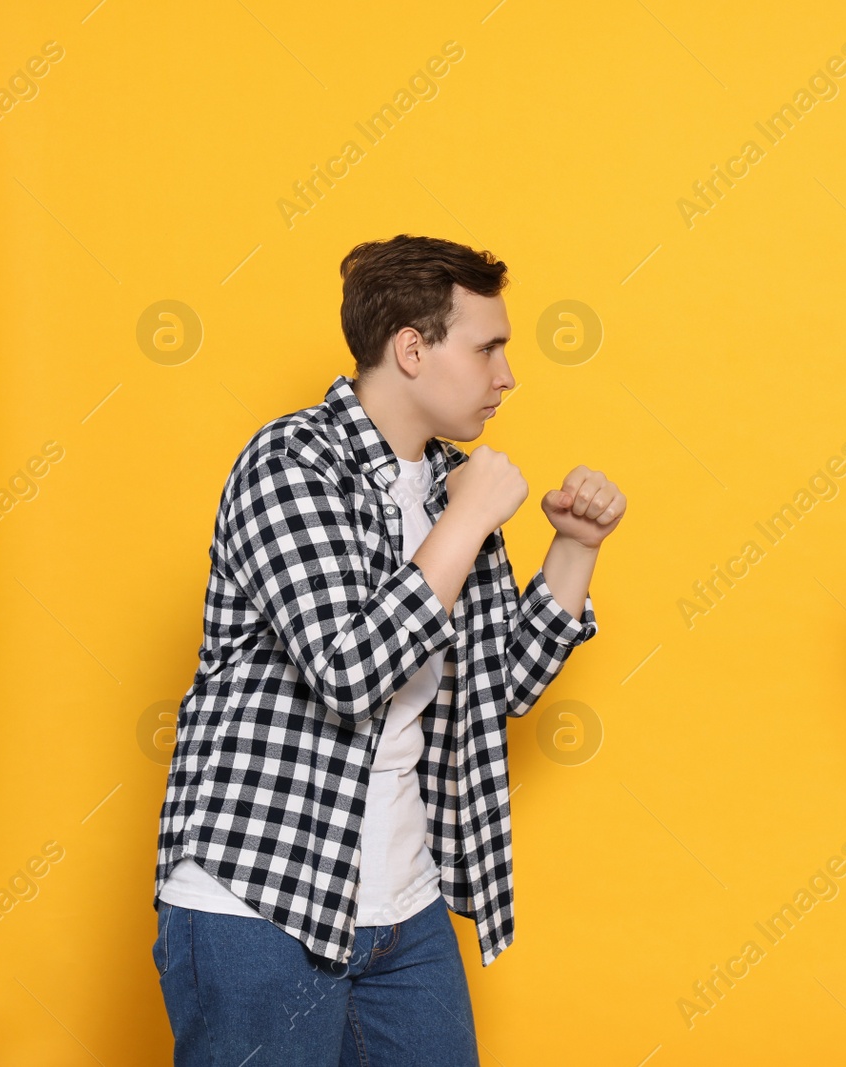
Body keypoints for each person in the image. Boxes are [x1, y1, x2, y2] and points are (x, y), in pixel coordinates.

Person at [151, 234, 626, 1065]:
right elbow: (347, 670)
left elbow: (497, 686)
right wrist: (467, 521)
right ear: (412, 348)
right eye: (488, 348)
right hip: (260, 903)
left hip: (403, 909)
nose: (507, 376)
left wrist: (575, 547)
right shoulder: (291, 463)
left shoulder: (450, 486)